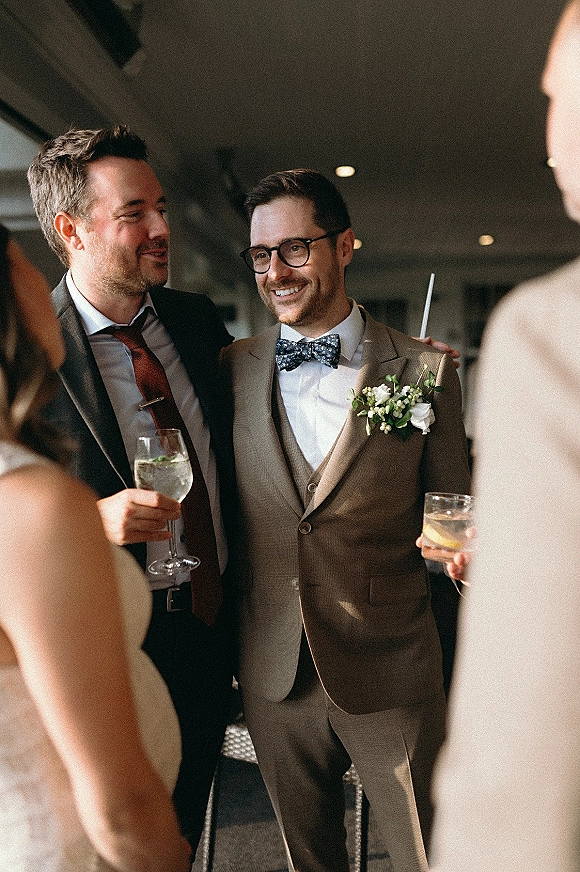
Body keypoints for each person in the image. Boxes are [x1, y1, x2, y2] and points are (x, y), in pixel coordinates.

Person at [221, 169, 471, 872]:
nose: (276, 272)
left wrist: (465, 561)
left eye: (296, 248)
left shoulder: (423, 371)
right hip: (274, 671)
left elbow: (455, 510)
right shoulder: (231, 367)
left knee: (432, 855)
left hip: (391, 664)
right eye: (261, 255)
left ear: (345, 245)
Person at [26, 126, 236, 855]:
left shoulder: (196, 321)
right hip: (105, 667)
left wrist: (390, 361)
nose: (162, 229)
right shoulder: (26, 349)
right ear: (69, 229)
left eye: (163, 207)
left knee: (187, 839)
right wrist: (90, 522)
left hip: (212, 640)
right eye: (135, 213)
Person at [429, 3, 580, 870]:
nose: (275, 272)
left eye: (557, 95)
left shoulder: (541, 337)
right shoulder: (239, 362)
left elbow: (526, 750)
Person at [0, 223, 191, 871]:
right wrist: (165, 851)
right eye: (21, 261)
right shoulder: (33, 505)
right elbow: (118, 809)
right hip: (81, 850)